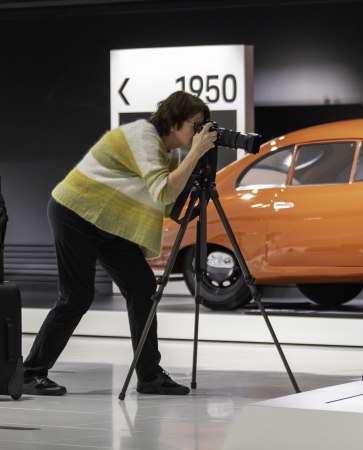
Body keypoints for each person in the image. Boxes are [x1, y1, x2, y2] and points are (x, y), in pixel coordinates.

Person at [22, 91, 217, 396]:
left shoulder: (171, 154)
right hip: (76, 212)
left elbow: (168, 206)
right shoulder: (142, 135)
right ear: (175, 121)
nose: (199, 131)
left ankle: (150, 376)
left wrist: (199, 179)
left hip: (109, 223)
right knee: (76, 297)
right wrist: (195, 154)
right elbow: (163, 192)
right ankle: (29, 373)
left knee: (142, 288)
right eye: (196, 124)